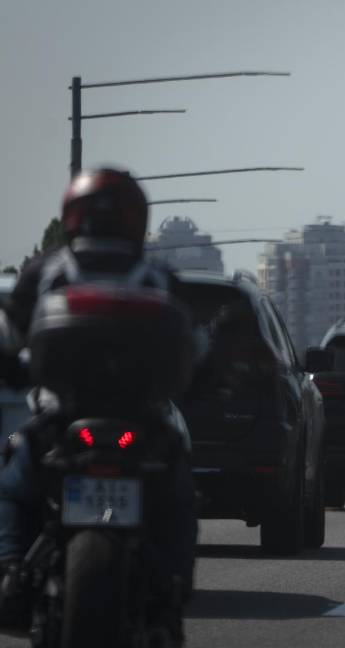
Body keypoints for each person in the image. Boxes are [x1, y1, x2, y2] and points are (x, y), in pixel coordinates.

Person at [0, 168, 199, 633]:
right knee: (178, 490)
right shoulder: (157, 276)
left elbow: (10, 334)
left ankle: (10, 572)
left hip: (62, 418)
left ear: (72, 215)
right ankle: (173, 581)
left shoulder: (48, 271)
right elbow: (195, 347)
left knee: (16, 478)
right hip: (138, 422)